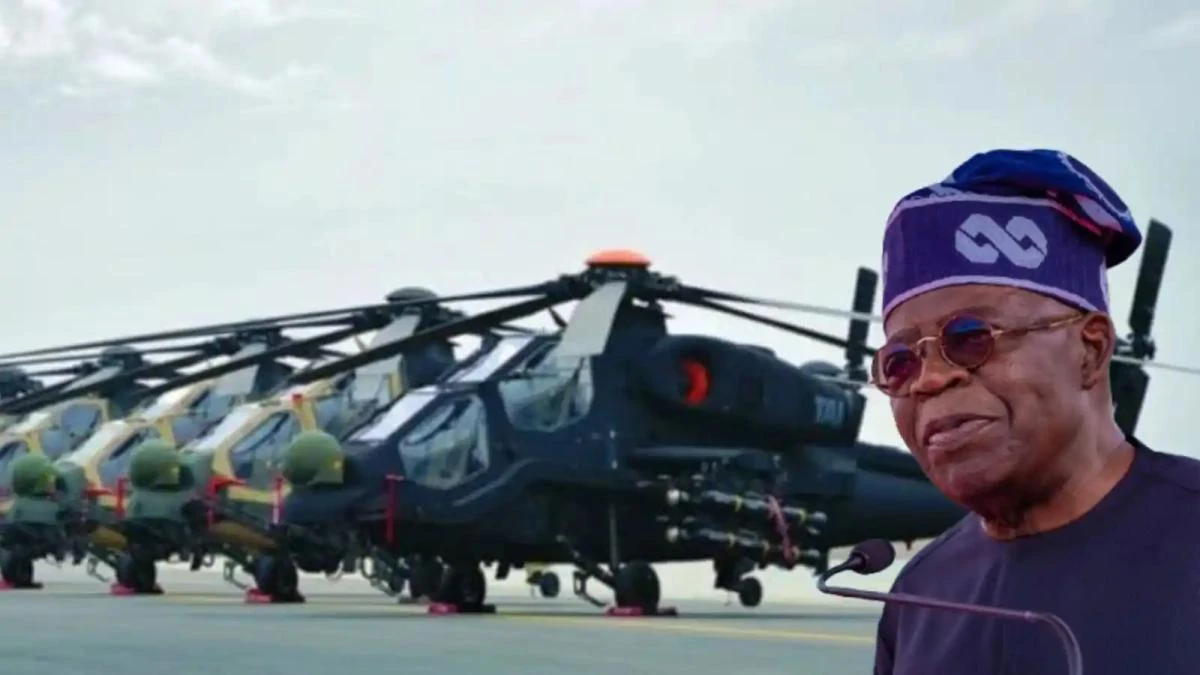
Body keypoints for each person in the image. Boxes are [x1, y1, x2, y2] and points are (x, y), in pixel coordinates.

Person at [870, 149, 1200, 675]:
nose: (930, 380)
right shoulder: (919, 595)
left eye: (970, 337)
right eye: (900, 362)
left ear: (1090, 350)